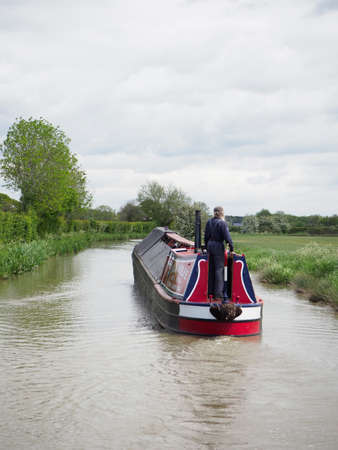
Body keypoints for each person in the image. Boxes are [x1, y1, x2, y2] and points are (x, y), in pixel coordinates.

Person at [204, 206, 234, 301]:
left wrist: (206, 246)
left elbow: (206, 236)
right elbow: (227, 237)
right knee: (219, 270)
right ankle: (218, 295)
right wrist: (232, 248)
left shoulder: (209, 222)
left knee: (211, 269)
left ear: (214, 212)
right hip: (218, 246)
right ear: (222, 213)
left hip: (210, 245)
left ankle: (210, 293)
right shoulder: (222, 223)